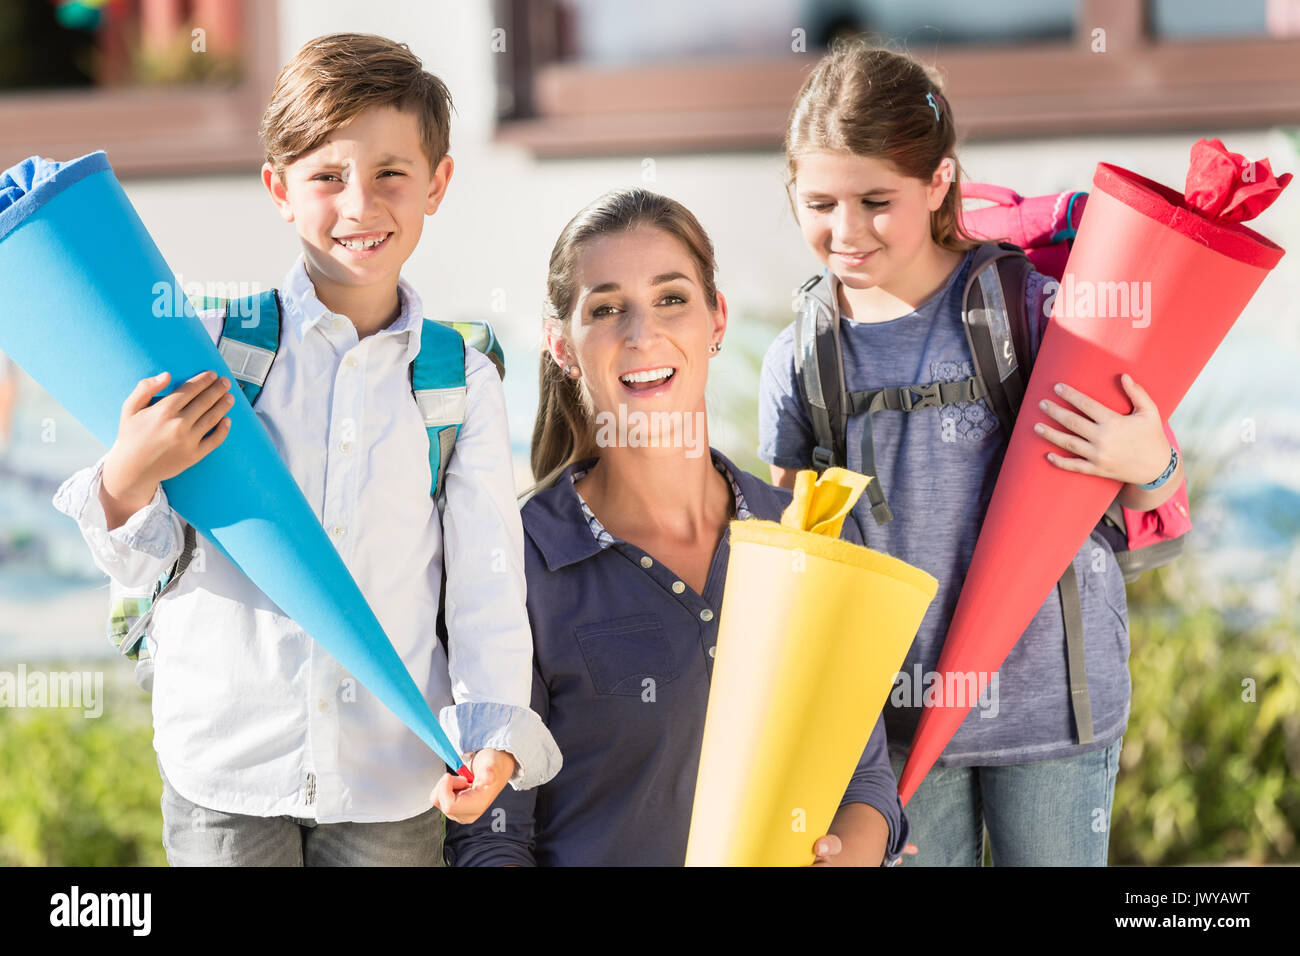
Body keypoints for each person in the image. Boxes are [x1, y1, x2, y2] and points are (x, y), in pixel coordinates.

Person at [51, 33, 559, 866]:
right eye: (326, 176)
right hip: (226, 769)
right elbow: (146, 564)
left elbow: (485, 585)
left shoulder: (458, 378)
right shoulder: (212, 347)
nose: (359, 205)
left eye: (391, 173)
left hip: (389, 777)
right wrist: (128, 472)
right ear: (279, 191)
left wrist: (493, 731)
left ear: (438, 184)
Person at [758, 40, 1185, 866]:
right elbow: (797, 555)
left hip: (1057, 710)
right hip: (894, 728)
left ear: (939, 182)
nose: (845, 232)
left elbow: (1148, 481)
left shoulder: (1030, 307)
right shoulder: (803, 357)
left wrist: (1149, 461)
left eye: (876, 199)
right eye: (819, 203)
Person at [445, 187, 909, 866]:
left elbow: (863, 776)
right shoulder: (516, 565)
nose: (642, 334)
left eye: (671, 298)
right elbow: (492, 839)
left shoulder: (801, 535)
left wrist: (854, 849)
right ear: (561, 345)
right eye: (606, 309)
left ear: (716, 319)